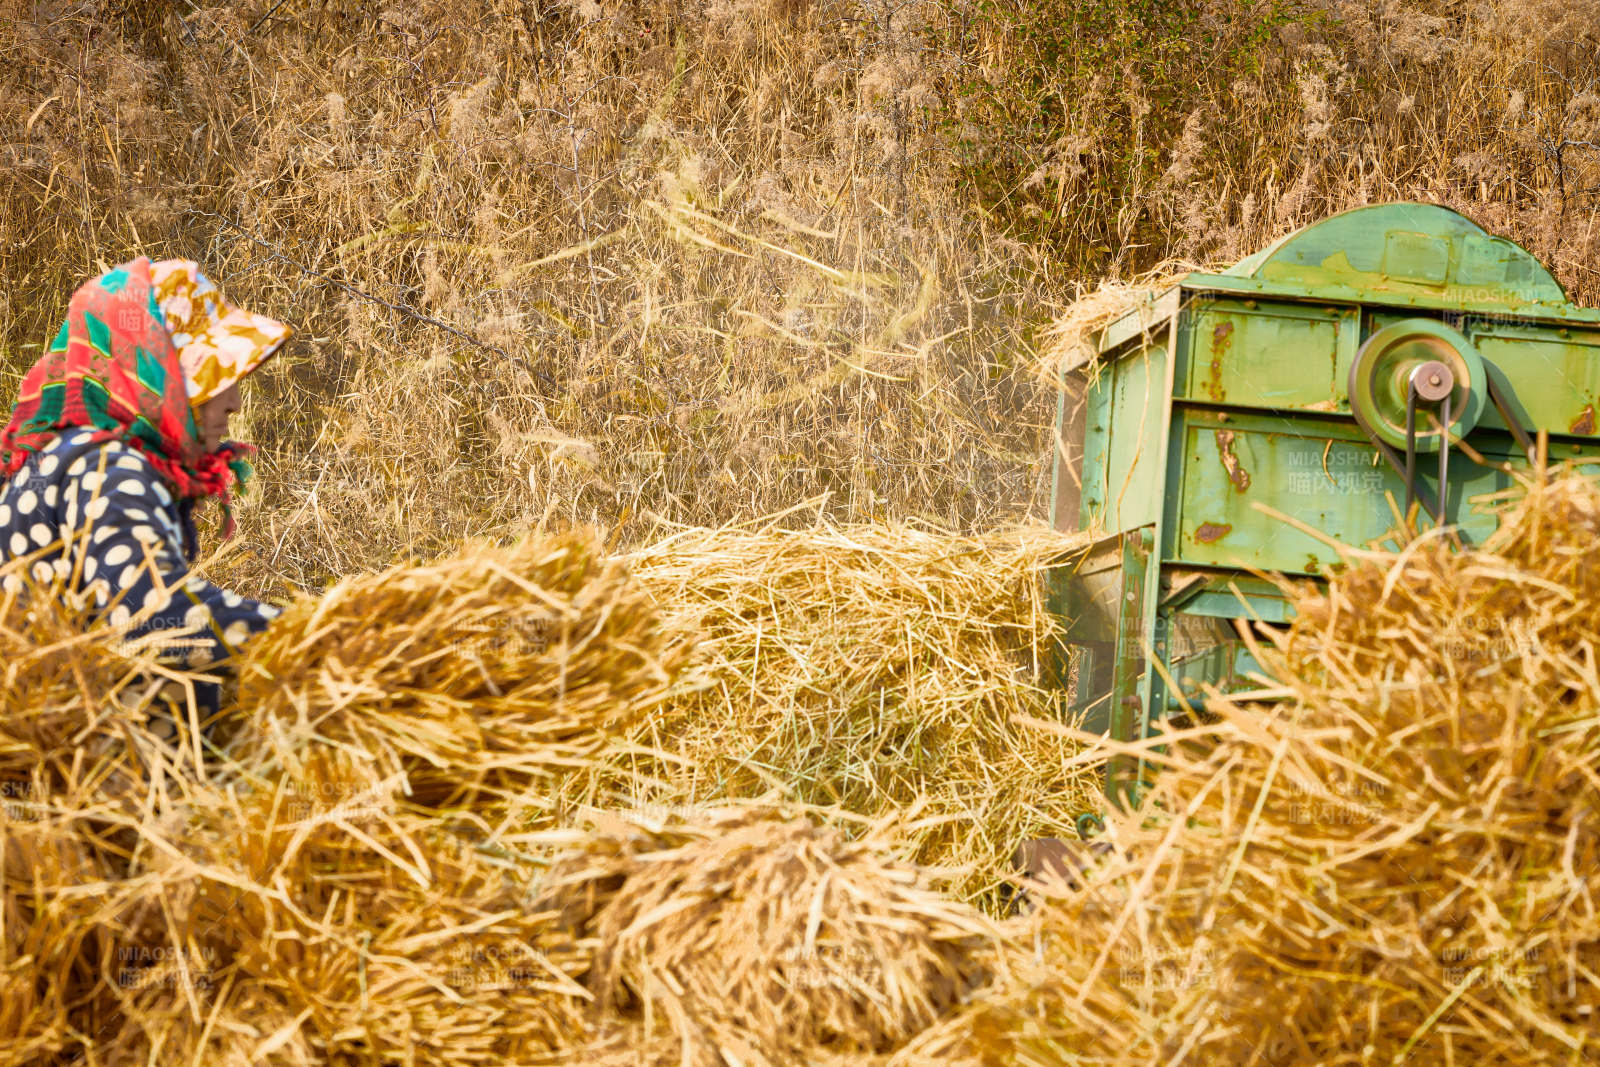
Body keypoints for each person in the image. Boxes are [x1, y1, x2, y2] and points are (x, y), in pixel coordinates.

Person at [0, 256, 289, 723]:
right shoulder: (108, 469)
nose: (234, 402)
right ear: (155, 377)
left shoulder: (75, 458)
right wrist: (308, 638)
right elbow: (152, 617)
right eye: (211, 376)